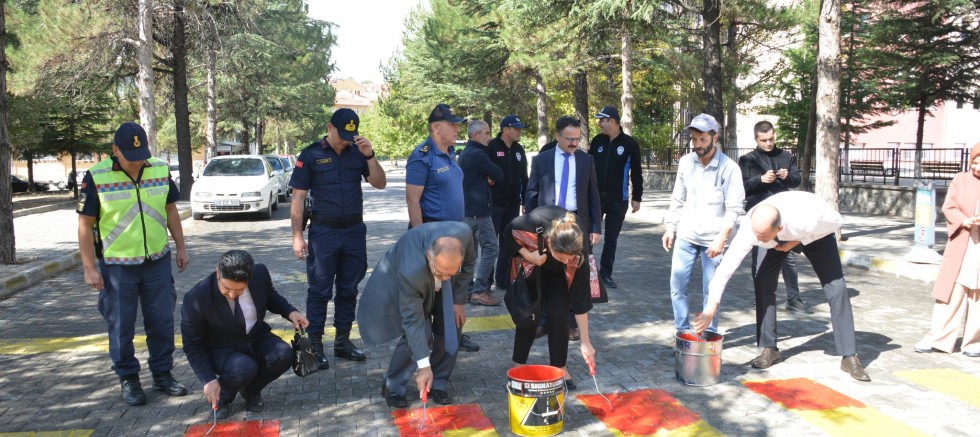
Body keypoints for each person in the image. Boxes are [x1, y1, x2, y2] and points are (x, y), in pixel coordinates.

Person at [693, 191, 871, 382]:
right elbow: (726, 268)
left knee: (836, 288)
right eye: (755, 234)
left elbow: (836, 222)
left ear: (779, 228)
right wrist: (710, 309)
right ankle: (769, 348)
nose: (756, 239)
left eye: (761, 236)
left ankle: (849, 355)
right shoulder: (751, 229)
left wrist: (793, 243)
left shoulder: (810, 218)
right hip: (779, 237)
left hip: (816, 235)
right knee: (762, 280)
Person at [77, 121, 190, 406]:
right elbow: (85, 224)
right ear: (115, 150)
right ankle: (128, 378)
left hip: (157, 260)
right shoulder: (96, 176)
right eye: (130, 157)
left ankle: (162, 374)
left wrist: (181, 247)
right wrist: (89, 268)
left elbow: (170, 210)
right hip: (117, 266)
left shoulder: (159, 169)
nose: (137, 162)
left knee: (162, 321)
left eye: (141, 156)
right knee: (121, 326)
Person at [289, 108, 386, 370]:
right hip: (324, 233)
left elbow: (380, 183)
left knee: (349, 288)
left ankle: (342, 340)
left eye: (350, 135)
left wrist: (370, 155)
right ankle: (316, 346)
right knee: (319, 290)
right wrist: (297, 236)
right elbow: (298, 198)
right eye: (342, 134)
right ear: (330, 127)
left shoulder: (358, 152)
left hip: (354, 231)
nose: (345, 140)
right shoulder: (311, 155)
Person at [356, 221, 476, 408]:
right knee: (421, 333)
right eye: (440, 273)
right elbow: (413, 321)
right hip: (413, 281)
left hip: (438, 269)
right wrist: (423, 366)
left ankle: (438, 382)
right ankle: (393, 385)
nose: (445, 279)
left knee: (452, 324)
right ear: (429, 256)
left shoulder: (464, 235)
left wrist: (458, 300)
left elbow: (468, 265)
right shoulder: (411, 270)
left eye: (451, 274)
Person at [181, 251, 309, 419]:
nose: (232, 295)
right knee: (244, 368)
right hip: (221, 347)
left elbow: (271, 297)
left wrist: (291, 312)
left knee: (283, 354)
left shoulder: (260, 274)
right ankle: (222, 397)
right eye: (227, 288)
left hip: (255, 336)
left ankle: (251, 390)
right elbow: (192, 345)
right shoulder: (196, 297)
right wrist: (208, 380)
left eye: (240, 290)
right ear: (218, 272)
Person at [405, 103, 480, 352]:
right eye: (452, 124)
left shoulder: (450, 153)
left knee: (453, 289)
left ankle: (451, 334)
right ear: (437, 128)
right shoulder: (422, 156)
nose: (457, 129)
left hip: (454, 233)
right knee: (431, 295)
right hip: (433, 235)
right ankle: (425, 345)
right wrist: (421, 241)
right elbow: (412, 200)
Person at [662, 113, 744, 334]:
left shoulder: (729, 168)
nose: (697, 145)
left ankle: (710, 333)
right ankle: (682, 331)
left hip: (714, 240)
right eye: (694, 139)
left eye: (702, 140)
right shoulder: (685, 162)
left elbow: (734, 209)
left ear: (715, 137)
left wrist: (721, 239)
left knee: (712, 290)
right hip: (687, 235)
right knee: (677, 285)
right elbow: (678, 198)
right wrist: (670, 227)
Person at [525, 115, 602, 341]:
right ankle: (544, 320)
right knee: (545, 272)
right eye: (569, 139)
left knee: (575, 273)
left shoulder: (586, 160)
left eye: (577, 139)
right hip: (547, 221)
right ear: (557, 136)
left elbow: (593, 195)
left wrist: (595, 227)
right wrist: (530, 223)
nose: (574, 143)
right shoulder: (542, 160)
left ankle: (570, 322)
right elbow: (532, 192)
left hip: (576, 222)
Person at [503, 206, 596, 390]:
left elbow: (580, 300)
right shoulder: (529, 225)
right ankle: (518, 365)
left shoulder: (578, 252)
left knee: (559, 314)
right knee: (529, 316)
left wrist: (586, 342)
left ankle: (560, 367)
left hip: (560, 276)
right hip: (534, 263)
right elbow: (507, 233)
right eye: (561, 257)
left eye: (569, 258)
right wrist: (528, 255)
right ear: (550, 243)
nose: (565, 261)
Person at [914, 143, 980, 358]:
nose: (977, 167)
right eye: (975, 162)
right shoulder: (961, 179)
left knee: (978, 295)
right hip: (962, 241)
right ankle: (938, 338)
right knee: (951, 291)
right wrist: (964, 220)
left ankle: (973, 342)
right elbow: (949, 207)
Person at [738, 121, 811, 314]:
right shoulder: (747, 160)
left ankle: (793, 298)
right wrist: (760, 180)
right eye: (764, 140)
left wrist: (787, 176)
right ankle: (760, 298)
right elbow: (742, 188)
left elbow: (796, 180)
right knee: (759, 258)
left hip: (783, 215)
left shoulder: (786, 156)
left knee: (788, 257)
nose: (768, 143)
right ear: (756, 139)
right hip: (758, 216)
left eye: (771, 139)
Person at [589, 105, 643, 289]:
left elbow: (637, 172)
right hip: (596, 199)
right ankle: (586, 273)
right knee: (588, 237)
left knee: (611, 240)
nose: (599, 124)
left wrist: (637, 197)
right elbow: (588, 167)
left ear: (611, 121)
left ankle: (605, 274)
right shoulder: (597, 141)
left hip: (618, 201)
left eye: (602, 120)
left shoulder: (629, 143)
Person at [459, 120, 505, 306]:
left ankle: (468, 290)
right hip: (479, 211)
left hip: (467, 210)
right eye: (486, 133)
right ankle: (479, 290)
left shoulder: (466, 153)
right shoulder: (478, 154)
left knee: (470, 254)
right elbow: (499, 174)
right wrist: (489, 176)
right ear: (476, 135)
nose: (490, 137)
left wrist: (485, 179)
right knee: (491, 248)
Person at [487, 115, 529, 289]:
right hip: (494, 203)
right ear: (505, 129)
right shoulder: (492, 147)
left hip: (512, 204)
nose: (519, 132)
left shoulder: (519, 150)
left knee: (508, 242)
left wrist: (525, 200)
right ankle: (486, 282)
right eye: (516, 128)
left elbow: (524, 177)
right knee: (491, 244)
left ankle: (503, 279)